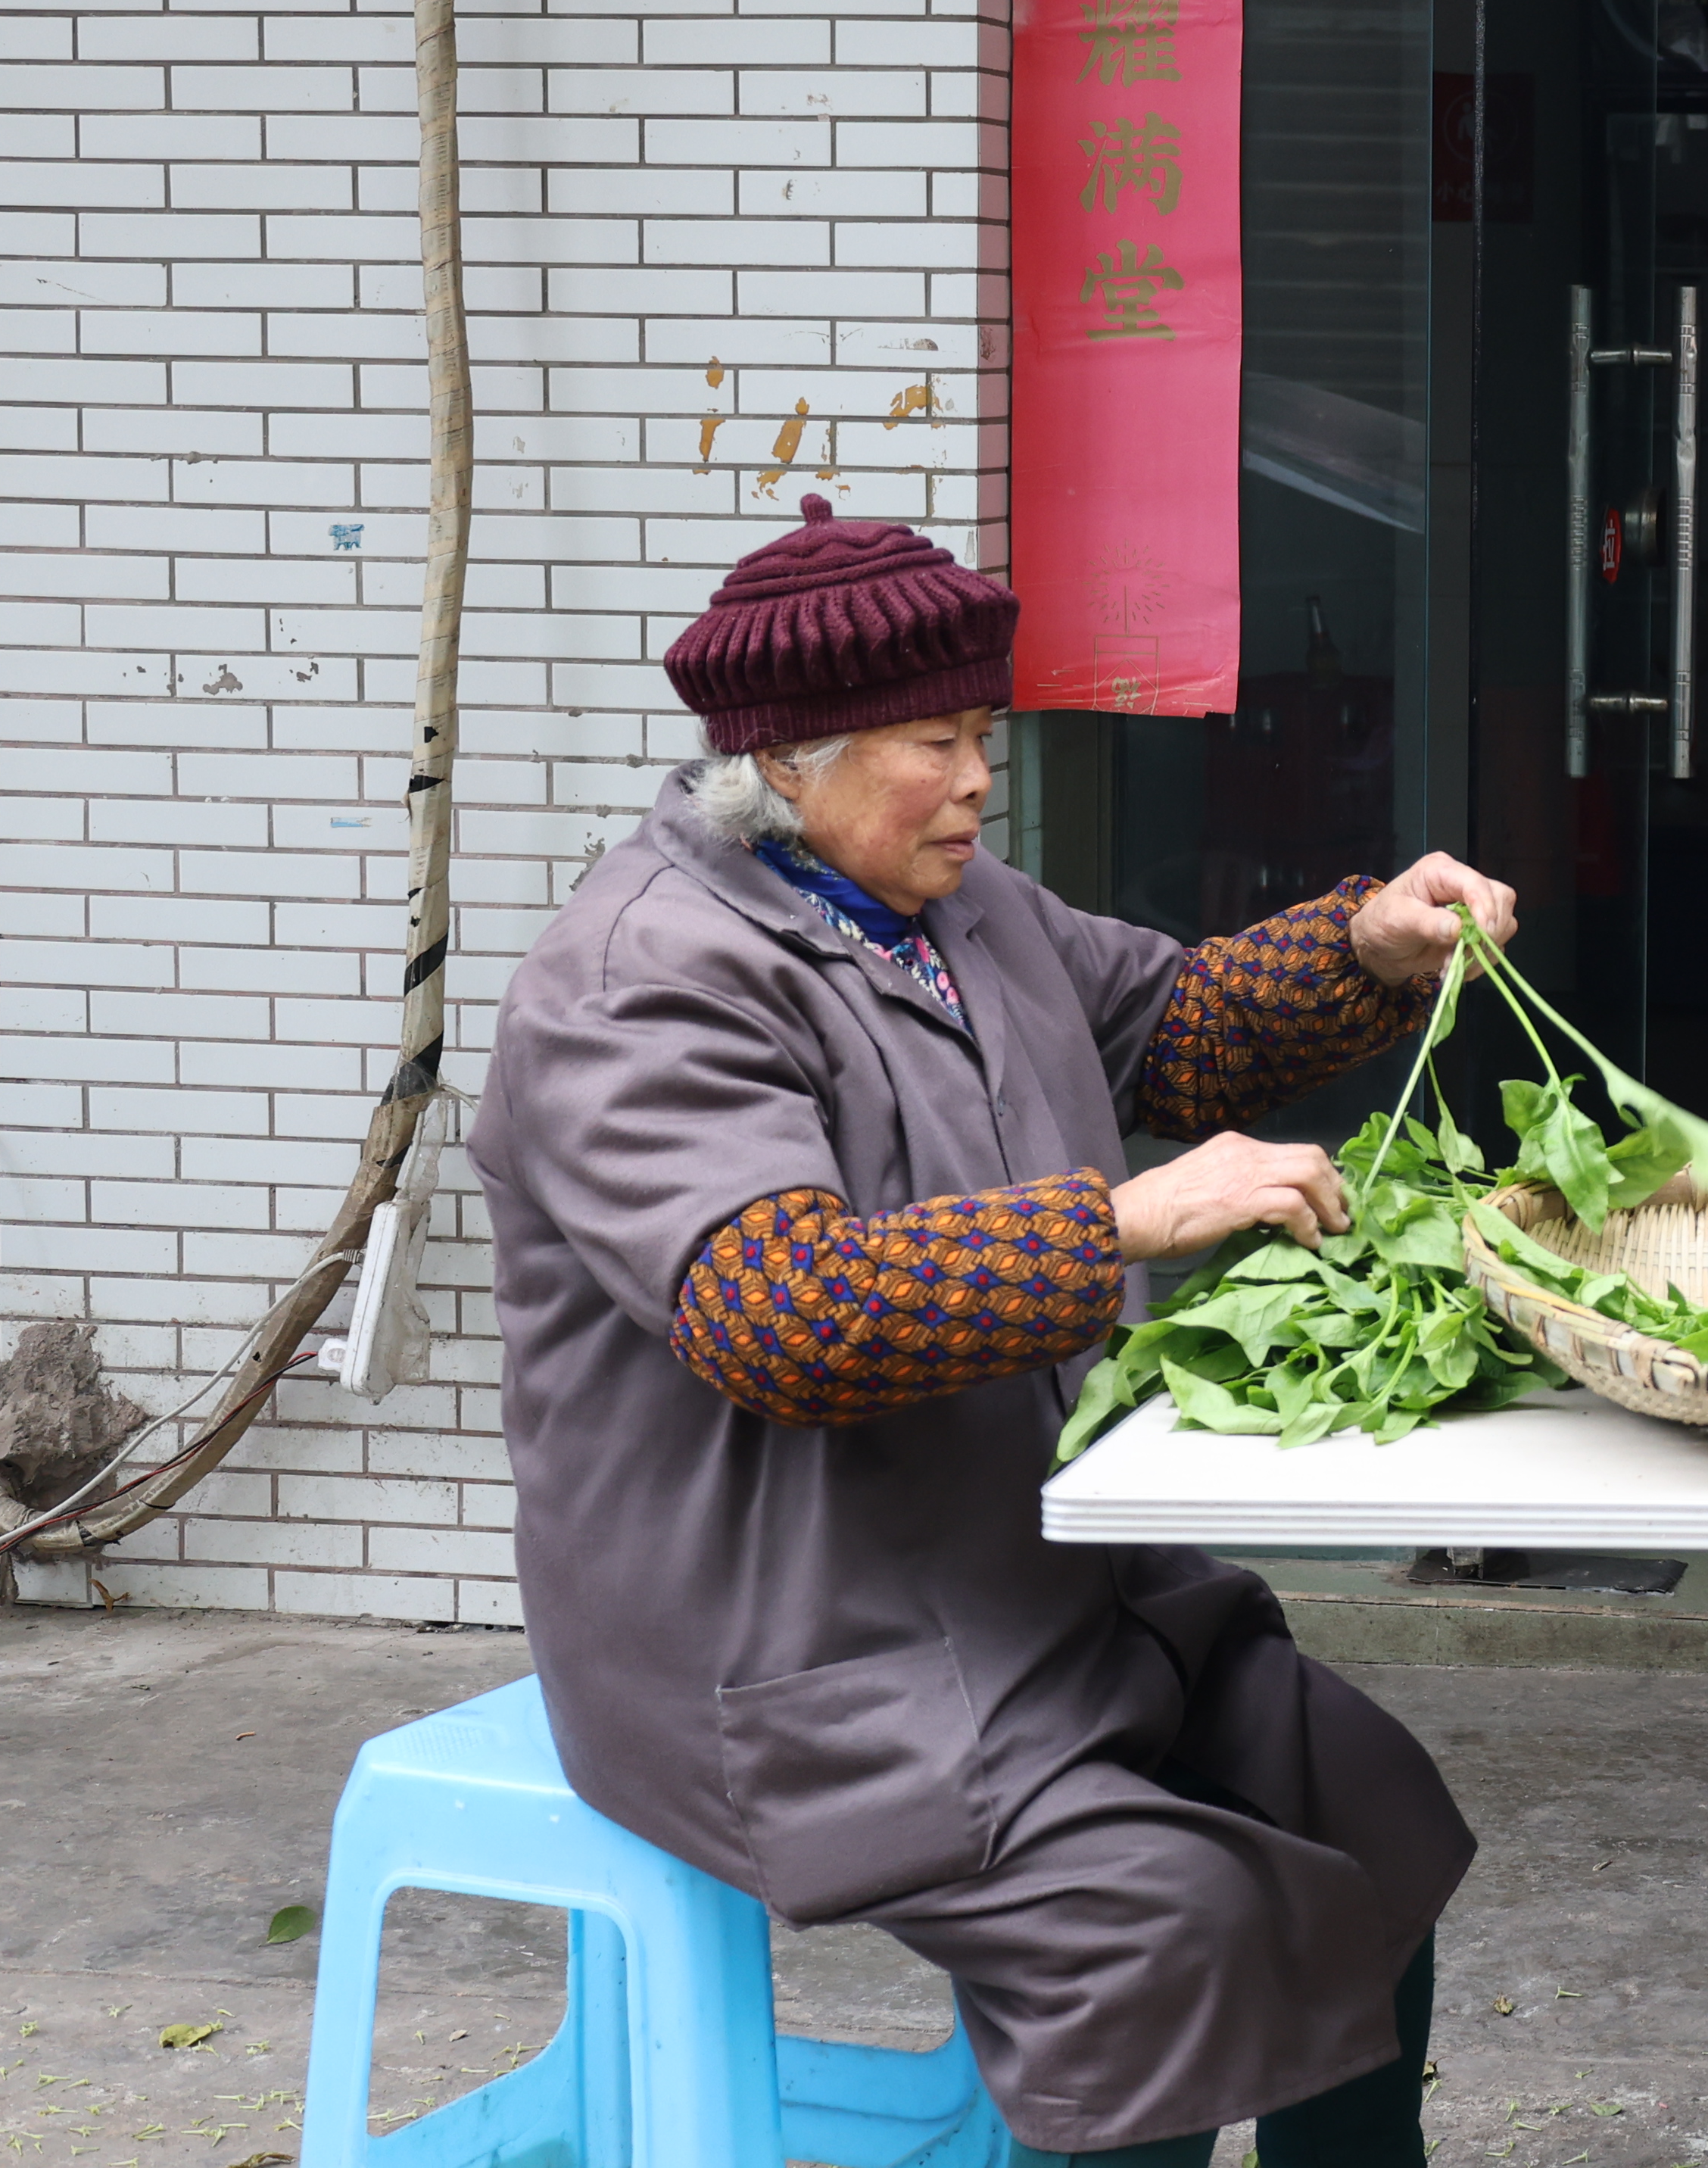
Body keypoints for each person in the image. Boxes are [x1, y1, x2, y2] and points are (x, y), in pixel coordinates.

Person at [469, 498, 1516, 2168]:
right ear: (789, 763)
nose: (979, 779)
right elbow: (782, 1310)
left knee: (1366, 1809)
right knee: (1164, 1934)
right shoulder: (640, 981)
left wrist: (1367, 943)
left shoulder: (962, 910)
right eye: (937, 742)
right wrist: (1125, 1219)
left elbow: (1174, 1028)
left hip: (1033, 1588)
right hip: (800, 1648)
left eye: (986, 735)